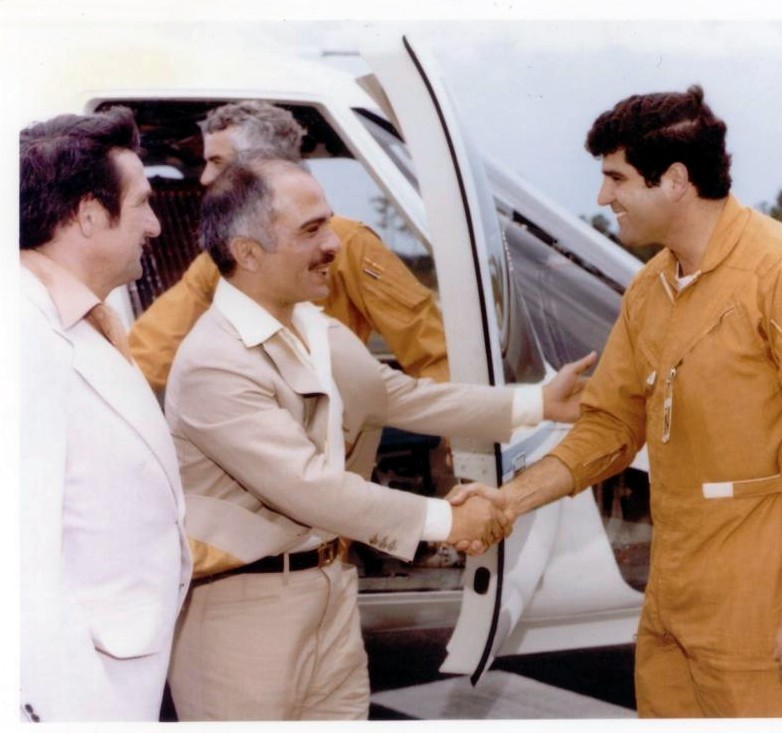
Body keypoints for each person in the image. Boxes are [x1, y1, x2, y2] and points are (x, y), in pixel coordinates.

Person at [450, 85, 782, 717]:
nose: (603, 198)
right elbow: (609, 425)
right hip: (671, 594)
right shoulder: (651, 287)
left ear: (676, 180)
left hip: (755, 602)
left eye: (616, 179)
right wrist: (508, 500)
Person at [164, 156, 593, 720]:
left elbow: (398, 396)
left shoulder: (315, 328)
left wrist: (537, 402)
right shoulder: (213, 362)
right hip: (244, 617)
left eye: (329, 223)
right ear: (248, 253)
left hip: (333, 596)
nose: (334, 245)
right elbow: (309, 487)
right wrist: (448, 521)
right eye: (311, 229)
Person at [19, 107, 192, 721]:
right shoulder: (21, 334)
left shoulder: (81, 324)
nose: (154, 225)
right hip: (72, 694)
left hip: (118, 675)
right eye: (143, 202)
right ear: (90, 214)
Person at [128, 99, 448, 391]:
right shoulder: (221, 257)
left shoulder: (349, 244)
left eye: (217, 161)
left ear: (265, 166)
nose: (206, 178)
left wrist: (458, 449)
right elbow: (150, 355)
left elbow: (432, 353)